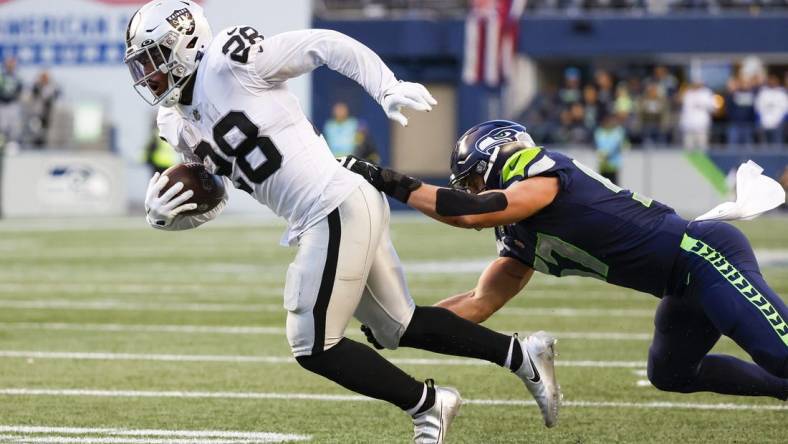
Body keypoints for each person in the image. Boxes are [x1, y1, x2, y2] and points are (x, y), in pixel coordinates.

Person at [124, 2, 560, 442]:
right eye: (140, 63)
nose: (147, 73)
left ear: (185, 44)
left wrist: (386, 86)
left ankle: (429, 406)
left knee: (312, 343)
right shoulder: (175, 121)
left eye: (152, 57)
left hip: (331, 202)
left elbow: (324, 44)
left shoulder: (228, 62)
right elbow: (215, 197)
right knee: (397, 326)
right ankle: (522, 354)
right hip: (332, 208)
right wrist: (170, 216)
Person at [342, 119, 788, 402]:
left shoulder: (533, 167)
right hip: (680, 285)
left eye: (475, 178)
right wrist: (402, 324)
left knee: (779, 352)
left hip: (704, 256)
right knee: (671, 372)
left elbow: (474, 211)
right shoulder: (517, 234)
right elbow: (479, 303)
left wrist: (390, 182)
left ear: (497, 156)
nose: (472, 190)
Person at [679, 80, 717, 151]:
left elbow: (713, 108)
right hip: (688, 126)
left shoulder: (706, 93)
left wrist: (701, 103)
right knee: (688, 149)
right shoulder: (687, 93)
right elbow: (683, 107)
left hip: (701, 126)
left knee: (702, 148)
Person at [754, 73, 787, 146]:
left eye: (774, 80)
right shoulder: (763, 93)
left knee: (777, 147)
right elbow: (757, 109)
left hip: (778, 125)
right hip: (764, 125)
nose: (772, 82)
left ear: (777, 81)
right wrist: (760, 121)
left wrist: (781, 122)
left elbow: (786, 111)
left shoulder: (782, 93)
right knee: (764, 147)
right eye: (771, 80)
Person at [594, 112, 626, 184]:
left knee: (614, 188)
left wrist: (607, 154)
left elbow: (617, 145)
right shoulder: (599, 132)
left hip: (613, 165)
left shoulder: (618, 131)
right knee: (602, 188)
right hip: (602, 165)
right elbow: (598, 145)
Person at [0, 57, 23, 150]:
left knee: (14, 126)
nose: (10, 66)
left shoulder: (17, 77)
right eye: (8, 64)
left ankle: (13, 144)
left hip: (13, 104)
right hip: (2, 104)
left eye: (12, 64)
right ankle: (2, 143)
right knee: (2, 125)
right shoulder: (2, 77)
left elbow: (19, 90)